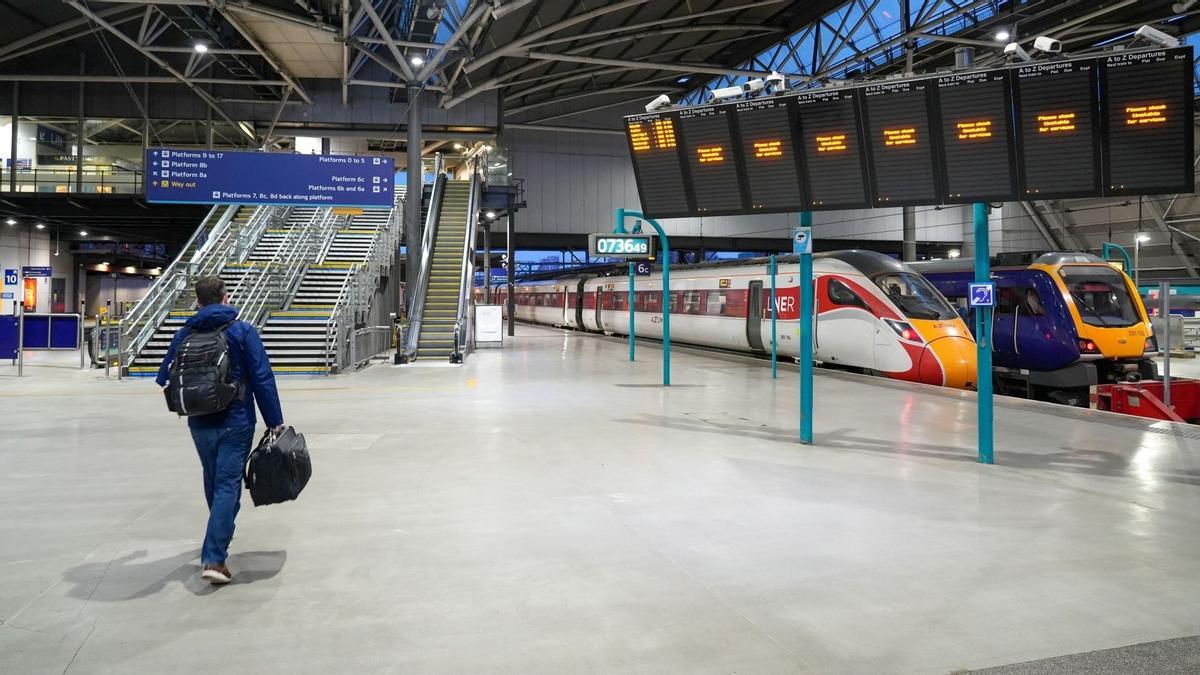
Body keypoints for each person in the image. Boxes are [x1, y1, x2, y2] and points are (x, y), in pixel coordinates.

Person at [156, 276, 283, 585]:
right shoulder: (242, 331)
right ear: (226, 297)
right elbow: (262, 378)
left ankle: (220, 535)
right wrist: (274, 421)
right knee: (228, 485)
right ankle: (215, 557)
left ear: (198, 302)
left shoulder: (185, 332)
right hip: (236, 420)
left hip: (199, 421)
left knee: (215, 480)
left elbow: (164, 377)